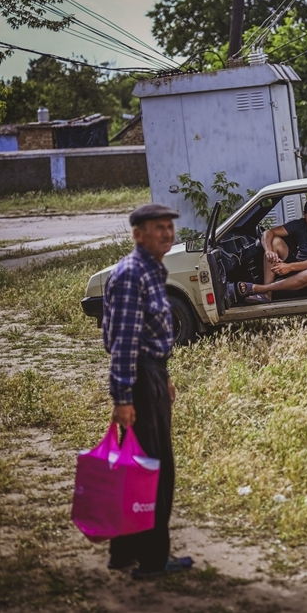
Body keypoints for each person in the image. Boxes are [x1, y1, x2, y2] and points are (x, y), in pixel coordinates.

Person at [103, 203, 193, 579]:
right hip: (139, 380)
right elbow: (123, 344)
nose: (167, 234)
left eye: (169, 227)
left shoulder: (154, 269)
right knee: (155, 471)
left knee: (137, 467)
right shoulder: (131, 274)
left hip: (152, 374)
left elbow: (151, 333)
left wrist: (165, 375)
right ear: (138, 233)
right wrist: (123, 399)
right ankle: (153, 561)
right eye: (159, 228)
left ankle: (124, 552)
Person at [236, 197, 307, 303]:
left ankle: (261, 289)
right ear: (305, 214)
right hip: (296, 263)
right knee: (274, 242)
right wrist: (268, 251)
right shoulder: (300, 224)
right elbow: (268, 233)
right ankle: (266, 296)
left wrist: (290, 267)